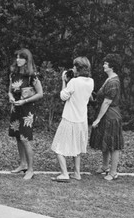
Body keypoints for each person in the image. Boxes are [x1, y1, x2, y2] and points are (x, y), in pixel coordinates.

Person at [50, 57, 94, 182]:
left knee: (58, 146)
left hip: (69, 118)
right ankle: (77, 173)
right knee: (77, 148)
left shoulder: (74, 82)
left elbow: (63, 96)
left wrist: (63, 81)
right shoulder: (91, 81)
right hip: (82, 119)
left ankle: (64, 173)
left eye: (74, 66)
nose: (73, 68)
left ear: (78, 68)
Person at [7, 48, 43, 180]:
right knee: (17, 137)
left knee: (25, 138)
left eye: (21, 58)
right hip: (16, 108)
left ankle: (31, 169)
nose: (17, 60)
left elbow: (40, 93)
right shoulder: (13, 74)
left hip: (27, 110)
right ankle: (22, 164)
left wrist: (25, 101)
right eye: (16, 57)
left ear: (27, 60)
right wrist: (11, 97)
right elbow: (9, 90)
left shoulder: (32, 76)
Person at [89, 53, 124, 181]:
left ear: (112, 66)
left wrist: (98, 119)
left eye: (106, 63)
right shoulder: (109, 79)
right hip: (106, 115)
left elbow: (107, 102)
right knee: (105, 141)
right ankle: (105, 167)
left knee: (113, 145)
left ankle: (113, 172)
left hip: (111, 116)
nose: (103, 65)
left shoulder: (113, 82)